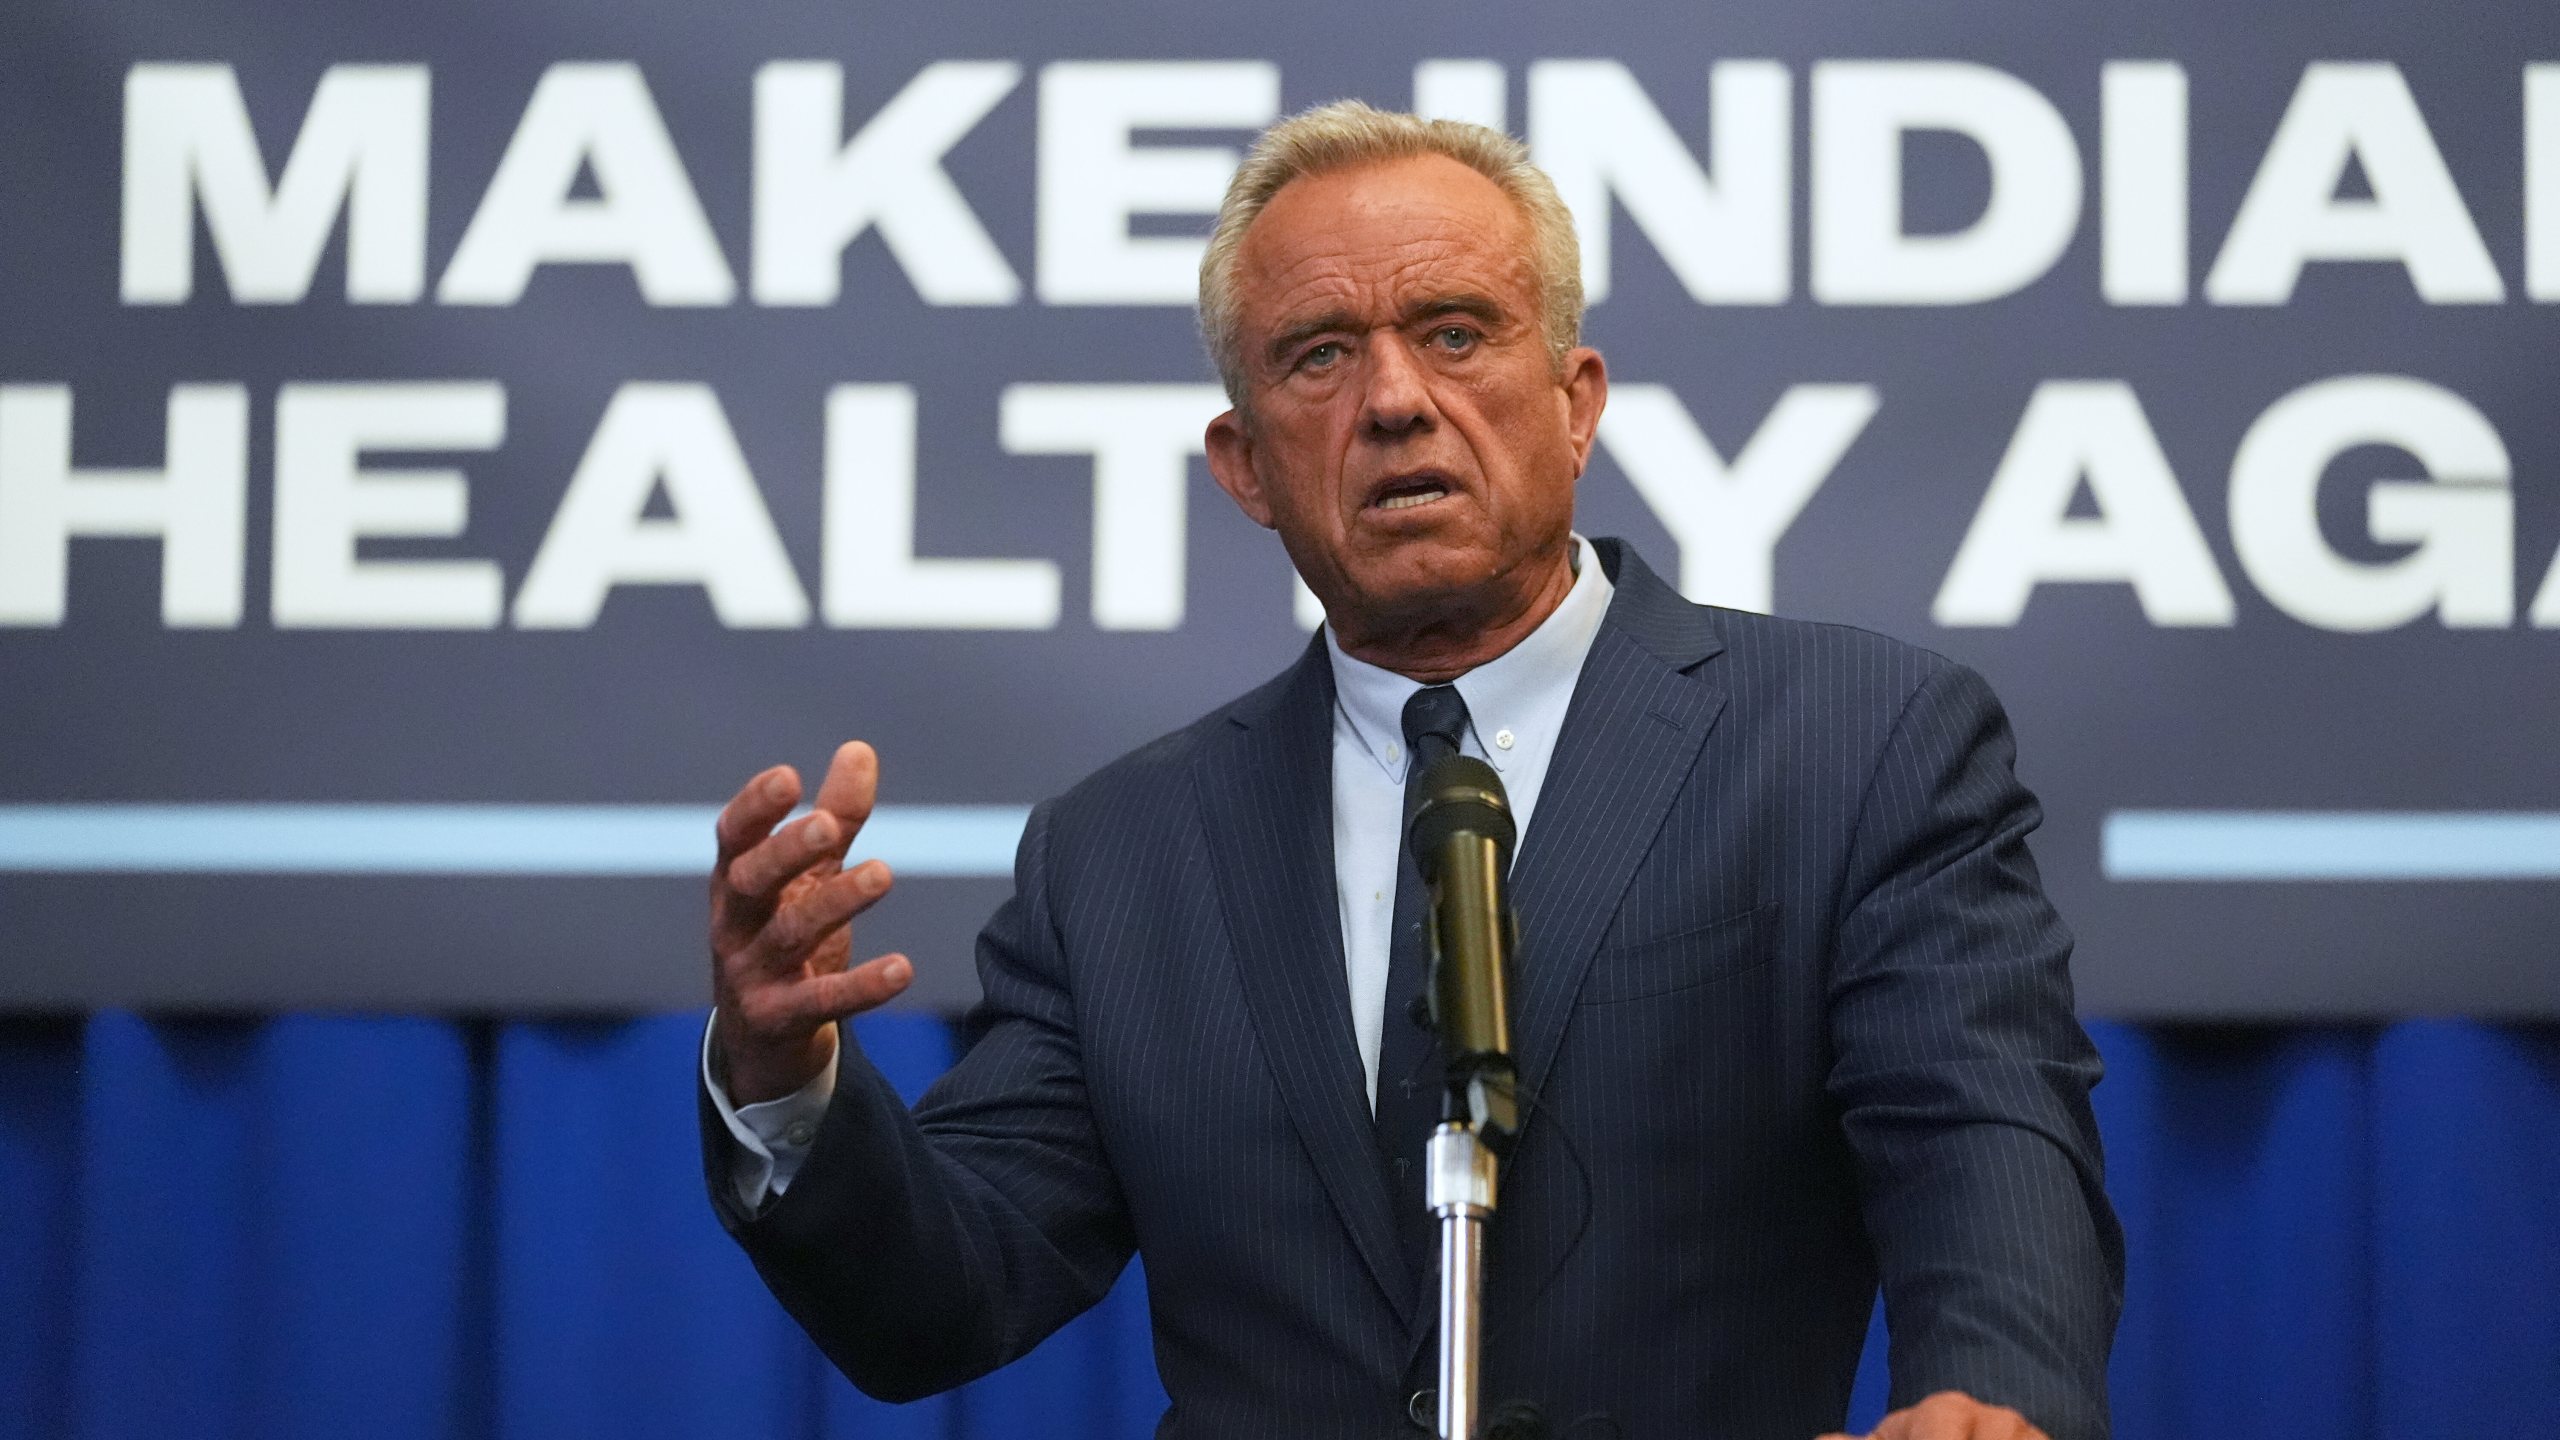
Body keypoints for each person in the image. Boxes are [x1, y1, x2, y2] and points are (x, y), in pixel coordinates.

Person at [698, 102, 2121, 1440]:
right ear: (1244, 465)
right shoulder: (1123, 855)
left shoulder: (1853, 742)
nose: (1394, 400)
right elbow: (944, 1293)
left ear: (1575, 402)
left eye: (1455, 333)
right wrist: (784, 1077)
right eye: (1318, 354)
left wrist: (1990, 1390)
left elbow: (1983, 1135)